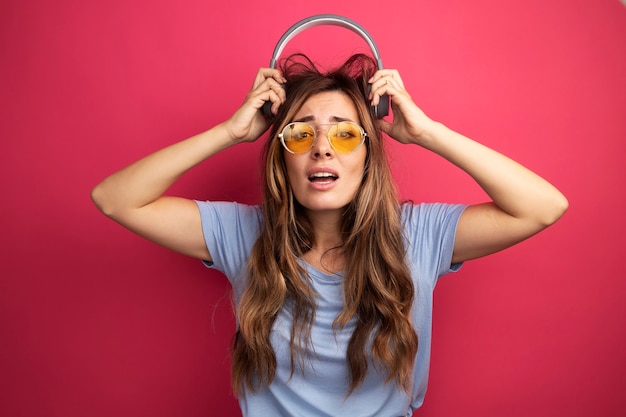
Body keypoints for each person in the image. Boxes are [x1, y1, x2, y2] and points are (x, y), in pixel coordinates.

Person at [91, 53, 568, 416]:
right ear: (282, 156)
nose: (321, 148)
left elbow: (543, 207)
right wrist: (230, 132)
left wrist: (426, 131)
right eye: (300, 134)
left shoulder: (418, 235)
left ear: (368, 155)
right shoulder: (242, 233)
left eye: (343, 134)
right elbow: (115, 198)